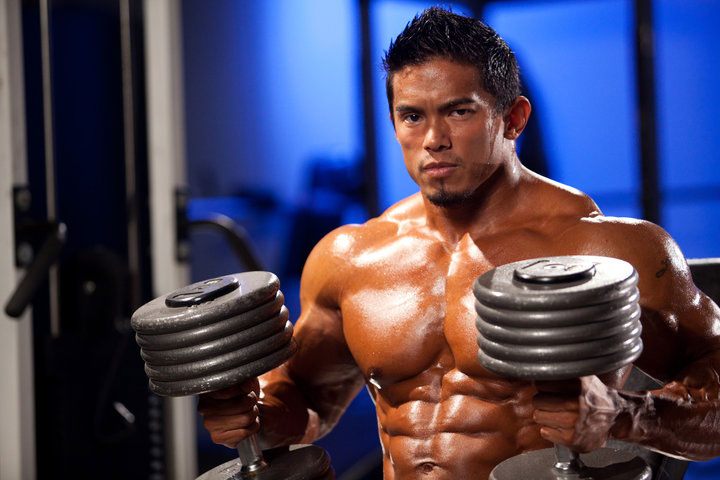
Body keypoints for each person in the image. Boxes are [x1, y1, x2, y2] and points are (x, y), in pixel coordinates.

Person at [199, 7, 720, 479]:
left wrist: (630, 414)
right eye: (412, 116)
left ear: (513, 118)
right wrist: (256, 417)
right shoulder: (350, 258)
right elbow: (309, 402)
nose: (433, 139)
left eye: (459, 111)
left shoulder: (604, 250)